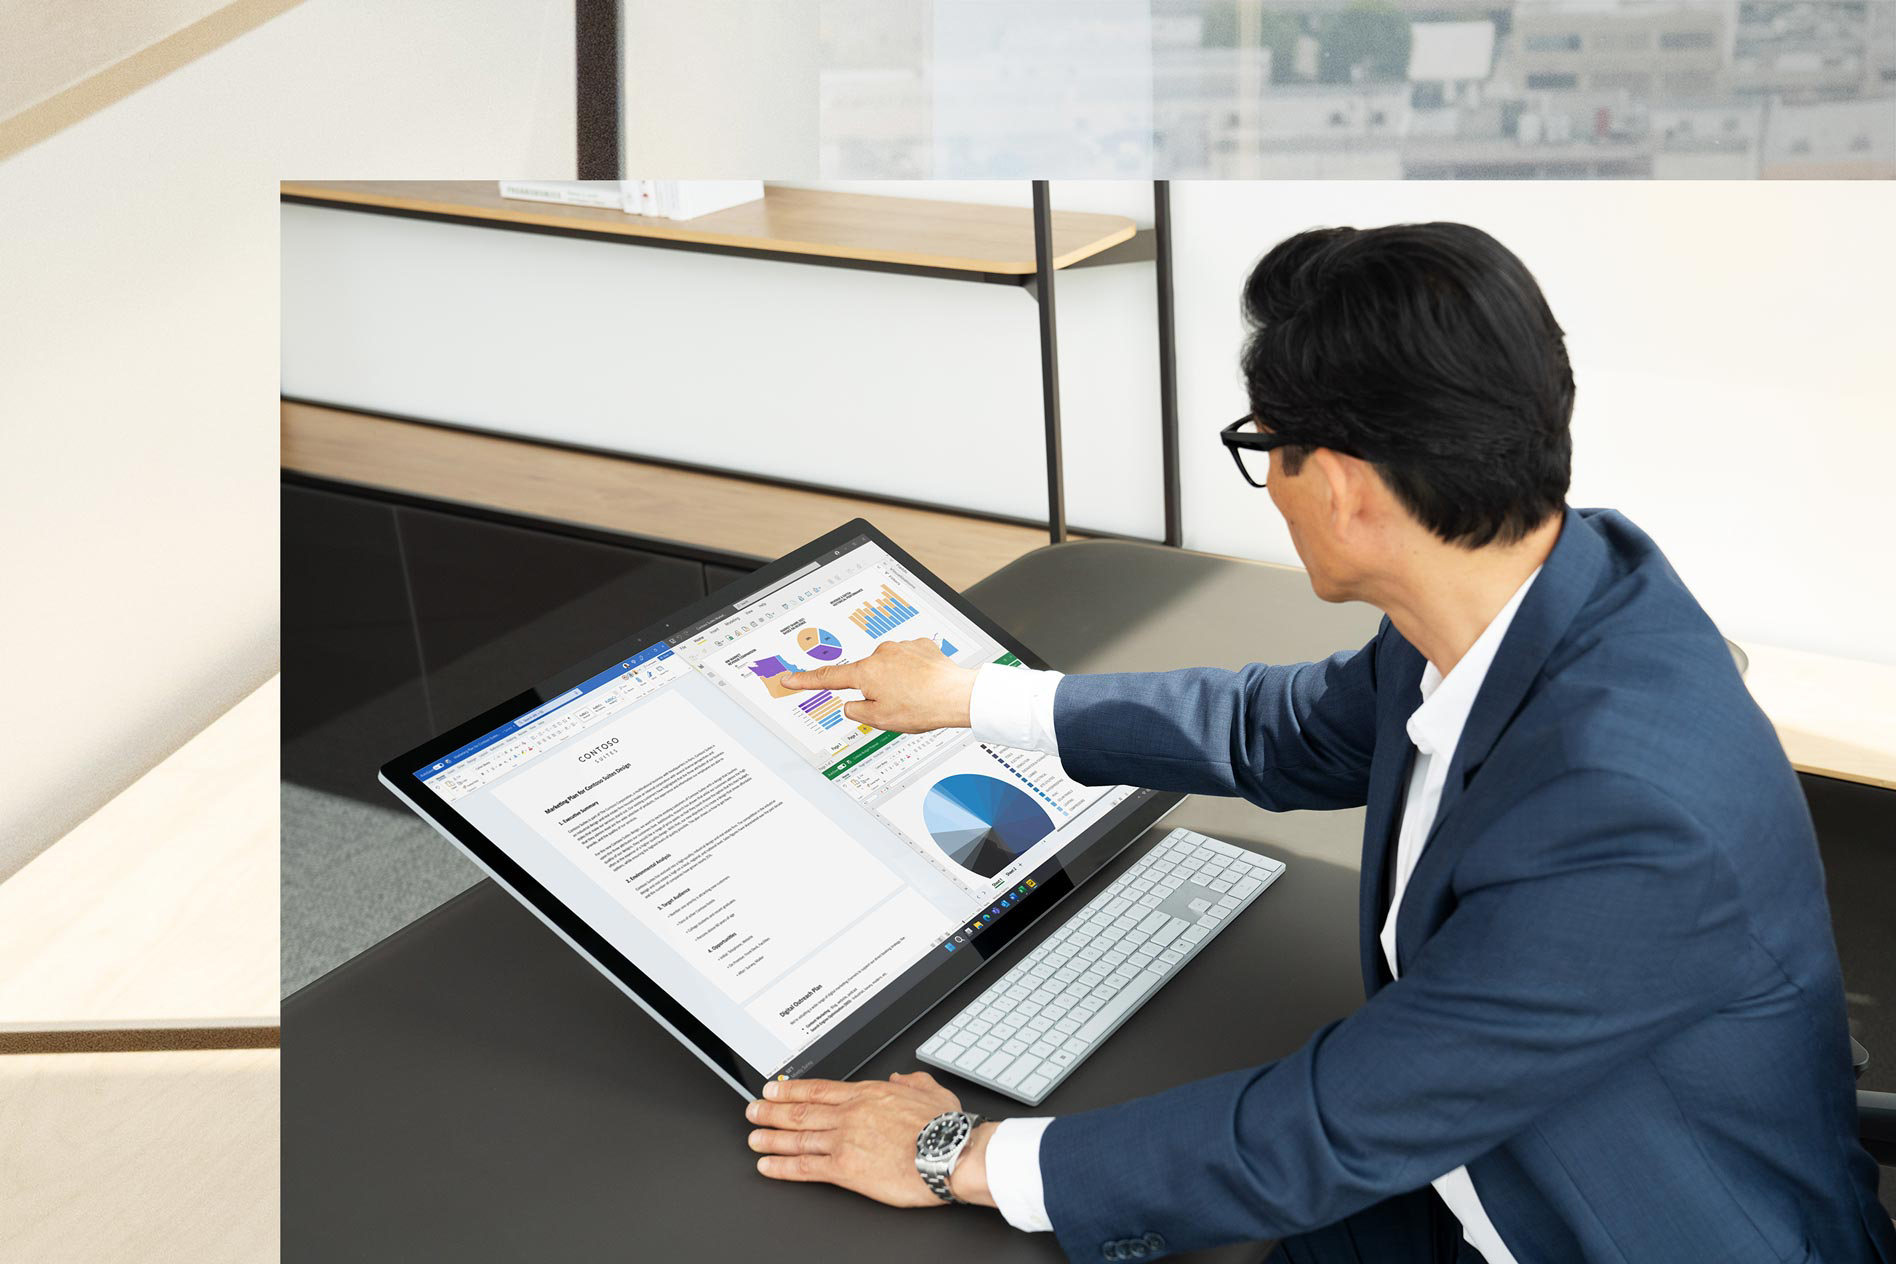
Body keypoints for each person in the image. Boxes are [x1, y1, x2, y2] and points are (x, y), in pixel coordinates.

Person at [739, 223, 1896, 1263]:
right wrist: (977, 698)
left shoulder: (1625, 809)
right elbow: (1282, 727)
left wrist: (956, 1151)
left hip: (1610, 1225)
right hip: (1469, 1168)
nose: (1268, 484)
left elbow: (1332, 1128)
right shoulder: (1539, 590)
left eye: (1264, 446)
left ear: (1339, 487)